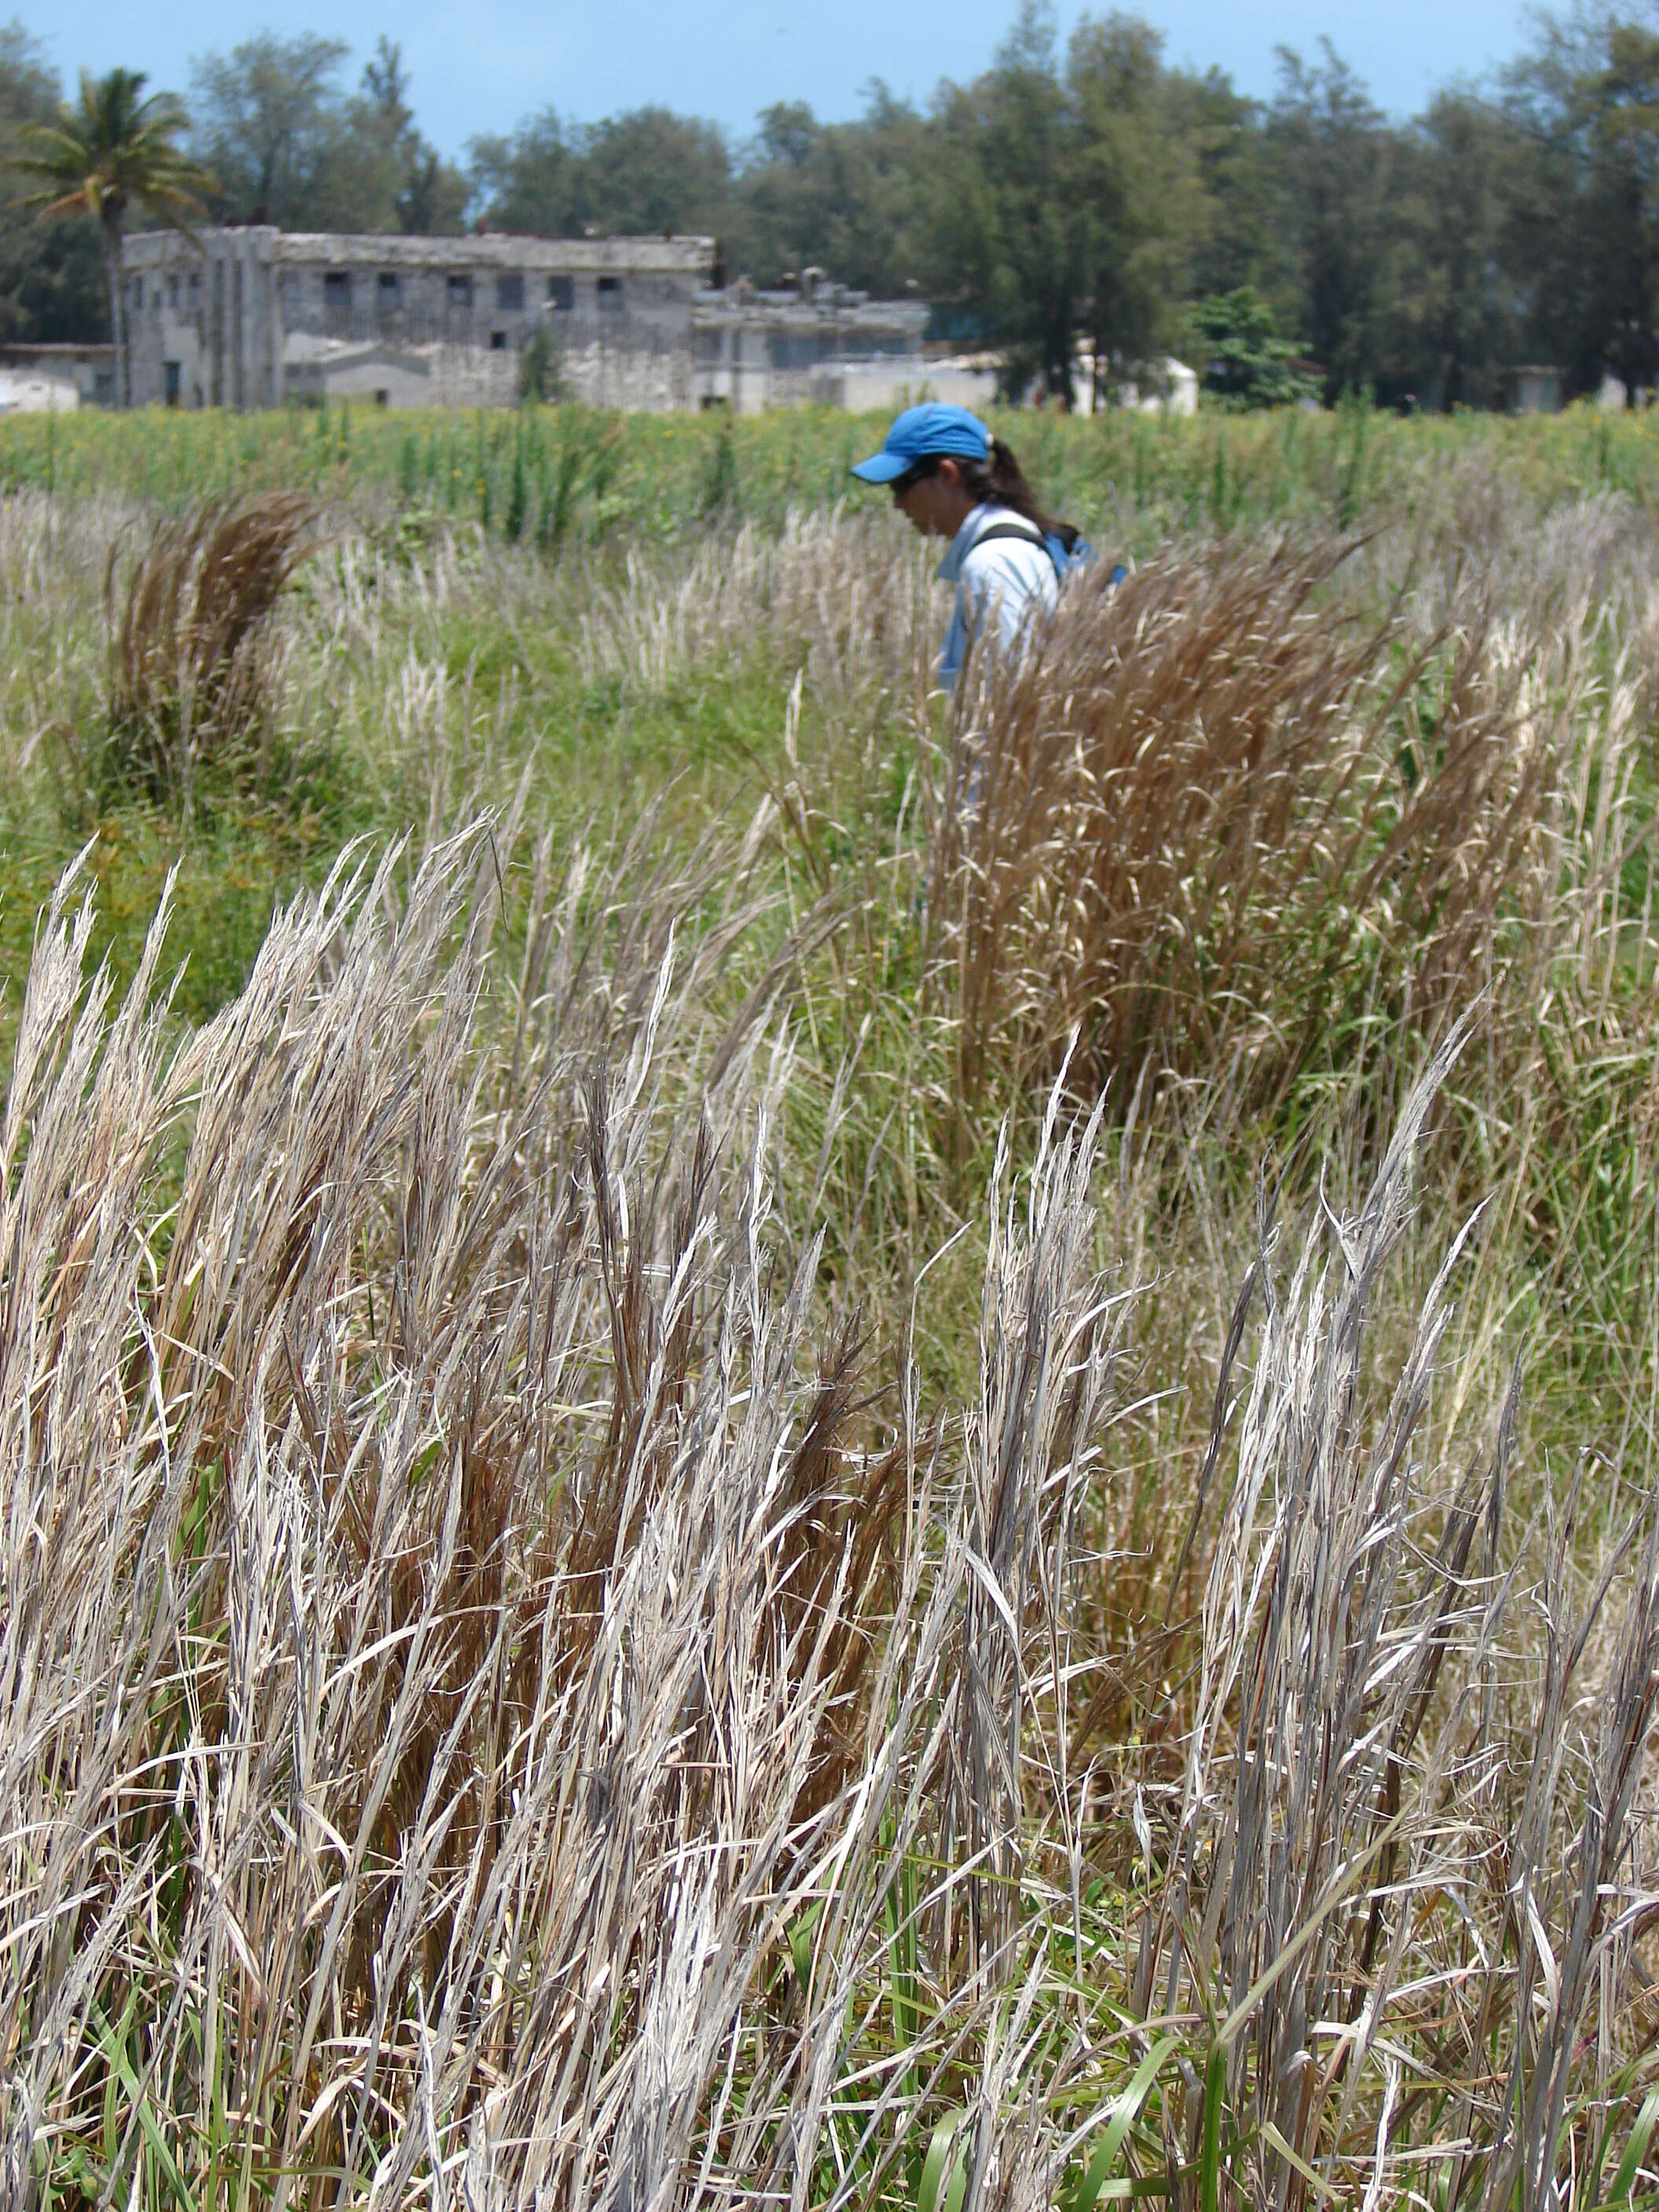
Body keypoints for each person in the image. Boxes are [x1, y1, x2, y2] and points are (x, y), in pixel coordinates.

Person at [851, 402, 1085, 690]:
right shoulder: (1004, 547)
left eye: (900, 485)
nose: (896, 504)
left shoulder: (993, 563)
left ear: (948, 475)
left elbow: (1014, 700)